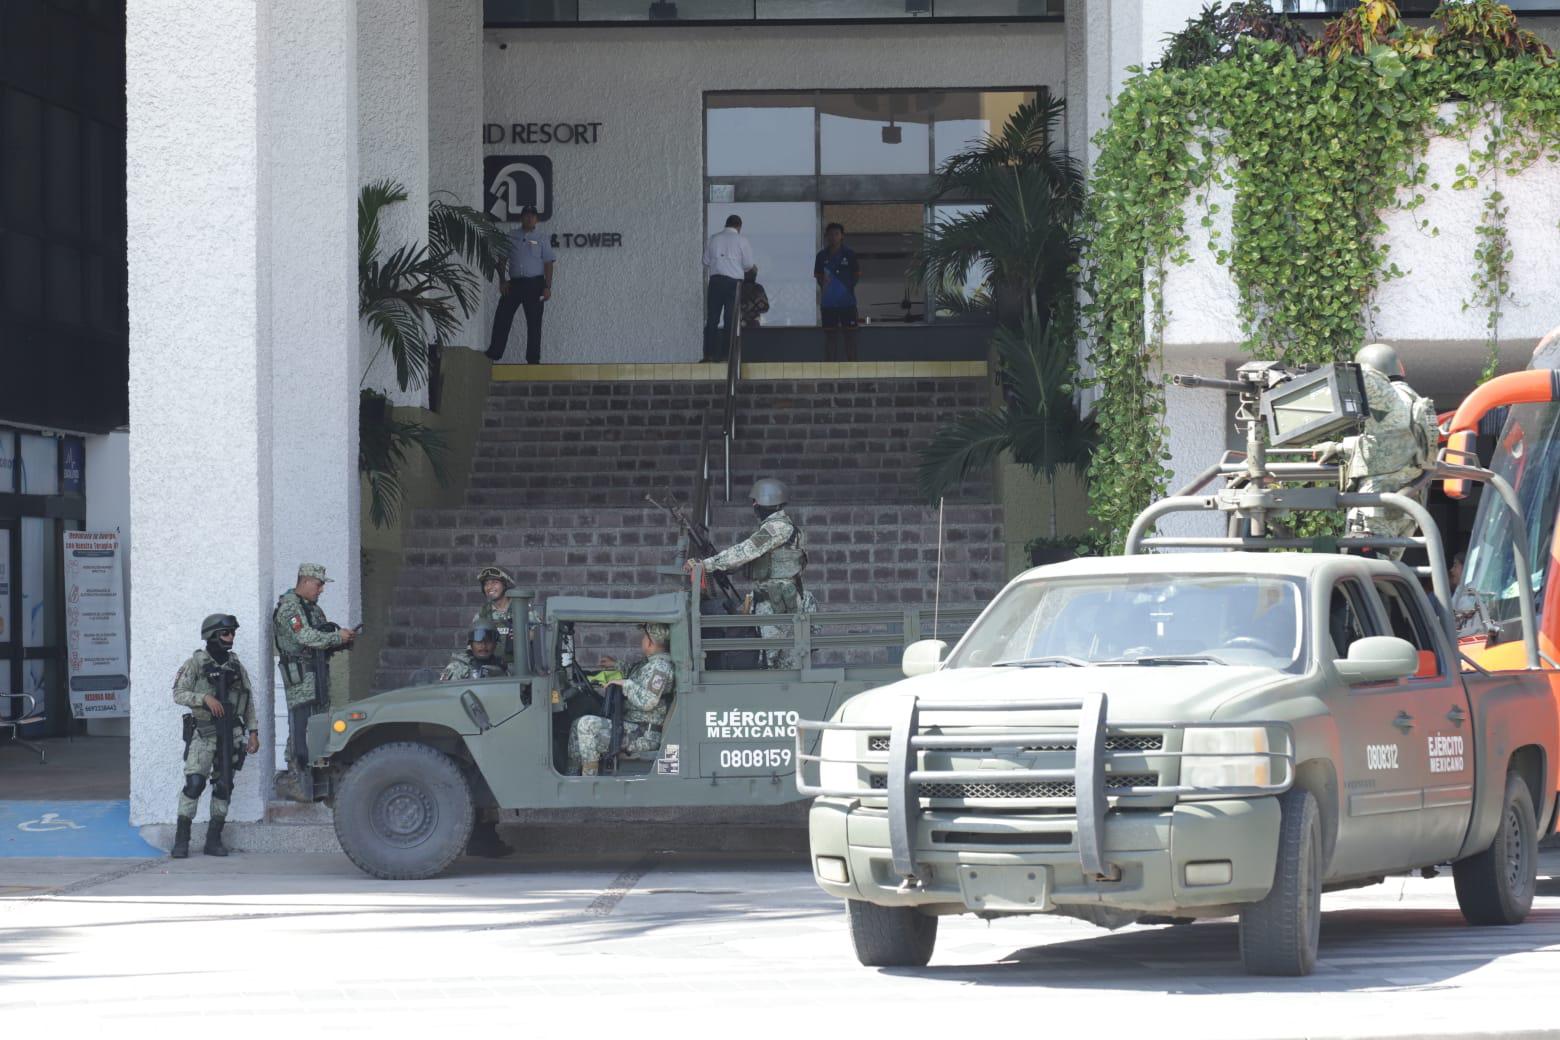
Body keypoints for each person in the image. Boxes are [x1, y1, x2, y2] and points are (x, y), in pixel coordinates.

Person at [684, 477, 809, 669]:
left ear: (760, 504)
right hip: (786, 601)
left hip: (773, 606)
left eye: (755, 502)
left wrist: (706, 564)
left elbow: (744, 551)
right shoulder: (790, 529)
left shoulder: (775, 528)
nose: (754, 506)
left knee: (769, 662)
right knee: (786, 666)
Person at [171, 613, 259, 858]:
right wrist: (204, 698)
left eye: (232, 633)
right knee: (195, 783)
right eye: (225, 633)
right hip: (204, 732)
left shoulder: (235, 666)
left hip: (231, 733)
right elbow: (178, 693)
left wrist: (253, 732)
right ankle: (181, 839)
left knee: (224, 785)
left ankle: (213, 840)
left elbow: (248, 700)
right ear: (211, 635)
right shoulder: (196, 664)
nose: (231, 637)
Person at [1341, 342, 1437, 558]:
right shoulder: (1414, 401)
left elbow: (1365, 377)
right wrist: (1341, 447)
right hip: (1405, 508)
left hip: (1376, 509)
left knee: (1359, 578)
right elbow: (1389, 443)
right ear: (1400, 368)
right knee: (1385, 580)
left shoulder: (1389, 397)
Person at [272, 563, 356, 801]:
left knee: (318, 725)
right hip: (300, 675)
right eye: (319, 584)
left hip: (317, 673)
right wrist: (335, 636)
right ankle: (297, 777)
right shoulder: (290, 608)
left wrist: (343, 639)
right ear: (306, 581)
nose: (321, 590)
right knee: (301, 726)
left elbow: (324, 637)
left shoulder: (312, 609)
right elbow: (306, 636)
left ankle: (315, 776)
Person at [567, 623, 676, 776]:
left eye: (644, 637)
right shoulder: (650, 663)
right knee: (576, 724)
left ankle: (588, 782)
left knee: (587, 725)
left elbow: (648, 701)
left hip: (644, 734)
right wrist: (615, 665)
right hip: (632, 727)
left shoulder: (661, 667)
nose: (642, 640)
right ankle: (572, 776)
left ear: (651, 642)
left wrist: (625, 684)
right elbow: (636, 674)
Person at [486, 204, 555, 364]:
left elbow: (548, 263)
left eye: (532, 215)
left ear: (536, 219)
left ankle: (533, 360)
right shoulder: (510, 236)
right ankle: (494, 353)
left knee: (534, 323)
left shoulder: (542, 239)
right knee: (502, 317)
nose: (529, 217)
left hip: (535, 284)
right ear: (521, 218)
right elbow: (502, 260)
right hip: (514, 284)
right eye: (526, 215)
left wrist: (547, 287)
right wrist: (502, 281)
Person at [703, 214, 755, 362]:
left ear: (726, 224)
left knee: (712, 319)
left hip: (715, 282)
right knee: (730, 320)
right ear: (739, 226)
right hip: (734, 284)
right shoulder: (742, 240)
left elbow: (705, 260)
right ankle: (727, 355)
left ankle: (709, 355)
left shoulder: (713, 238)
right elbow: (749, 264)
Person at [814, 222, 861, 362]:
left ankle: (853, 371)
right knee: (830, 338)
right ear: (826, 236)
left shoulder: (850, 254)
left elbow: (856, 275)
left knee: (850, 337)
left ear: (842, 236)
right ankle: (830, 372)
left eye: (836, 234)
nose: (833, 237)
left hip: (848, 303)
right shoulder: (821, 256)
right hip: (828, 305)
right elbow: (818, 277)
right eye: (830, 234)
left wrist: (846, 288)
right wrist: (828, 287)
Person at [473, 565, 521, 666]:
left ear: (506, 585)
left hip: (520, 670)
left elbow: (542, 640)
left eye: (495, 582)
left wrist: (525, 635)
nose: (489, 587)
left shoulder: (522, 610)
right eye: (486, 584)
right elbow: (473, 649)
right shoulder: (483, 615)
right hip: (493, 672)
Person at [440, 625, 510, 682]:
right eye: (478, 642)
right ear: (471, 644)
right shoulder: (457, 668)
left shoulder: (503, 667)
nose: (483, 646)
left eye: (488, 642)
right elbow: (445, 693)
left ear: (495, 644)